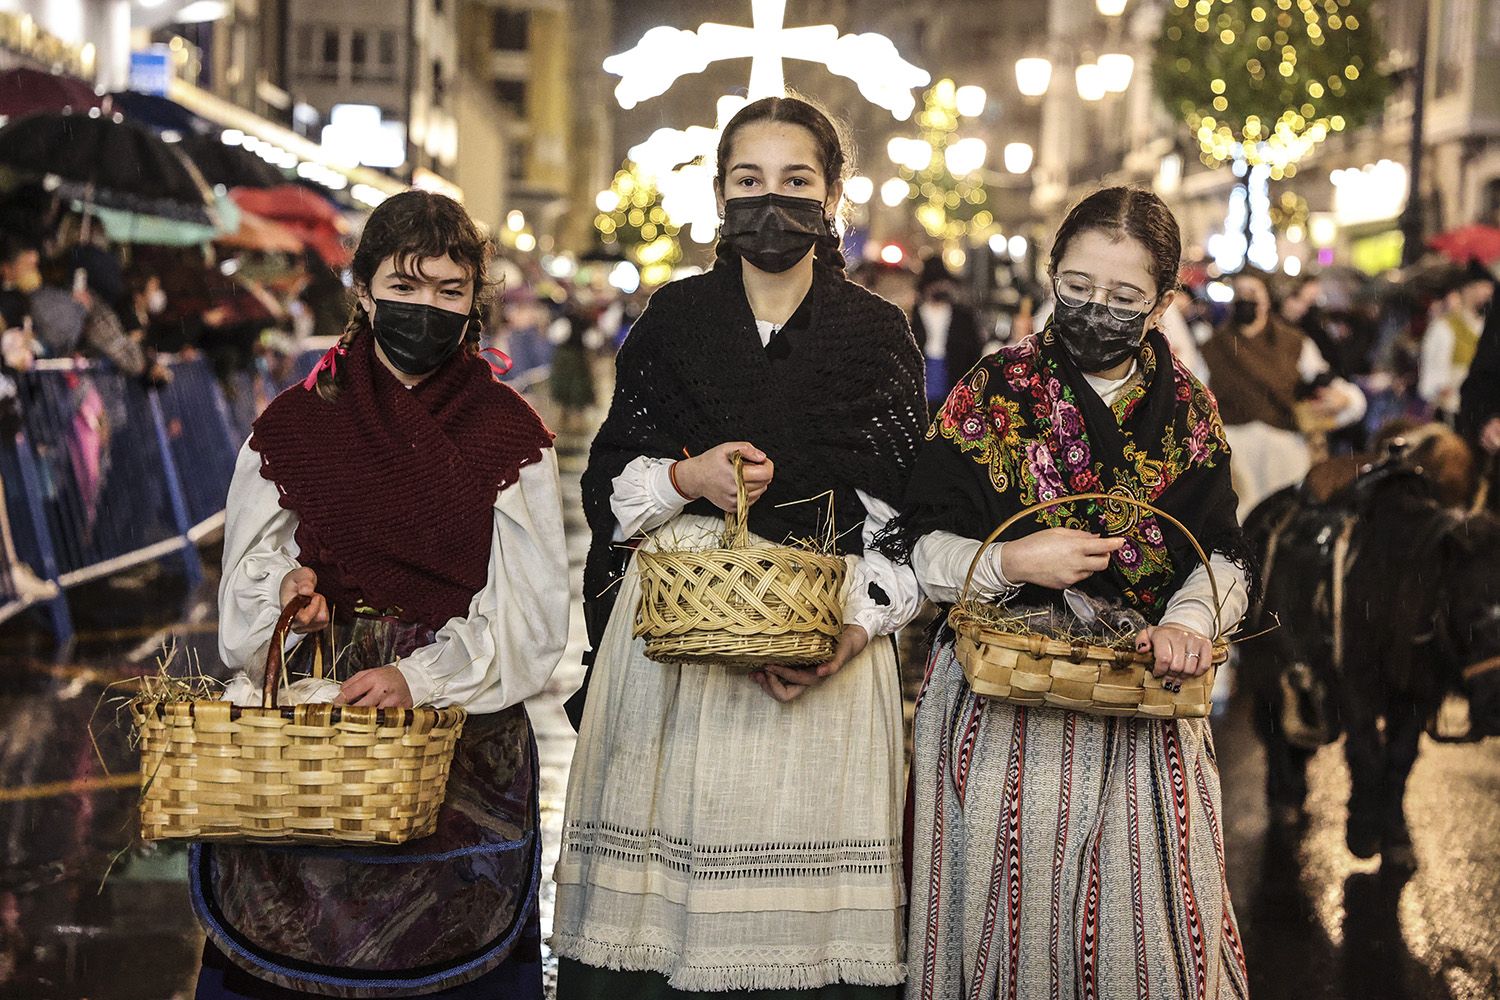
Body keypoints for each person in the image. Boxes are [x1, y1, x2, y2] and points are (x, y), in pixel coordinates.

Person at [551, 95, 927, 998]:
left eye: (797, 182)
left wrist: (854, 630)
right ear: (718, 196)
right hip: (676, 666)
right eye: (748, 181)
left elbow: (910, 521)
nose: (773, 202)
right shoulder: (672, 321)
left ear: (833, 195)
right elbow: (610, 488)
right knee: (662, 938)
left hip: (824, 657)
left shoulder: (877, 337)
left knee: (800, 950)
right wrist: (691, 479)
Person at [198, 190, 569, 999]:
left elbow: (531, 622)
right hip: (316, 724)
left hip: (454, 736)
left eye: (449, 290)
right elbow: (244, 611)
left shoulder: (508, 433)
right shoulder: (293, 426)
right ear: (363, 290)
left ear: (475, 302)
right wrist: (289, 605)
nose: (426, 307)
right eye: (405, 286)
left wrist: (422, 680)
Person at [886, 186, 1253, 1000]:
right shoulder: (991, 391)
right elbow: (917, 545)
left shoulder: (1189, 411)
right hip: (1001, 704)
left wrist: (1190, 619)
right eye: (1079, 287)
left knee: (1146, 945)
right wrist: (1018, 561)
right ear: (1051, 274)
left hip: (1143, 710)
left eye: (1125, 297)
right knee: (1003, 940)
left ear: (1161, 302)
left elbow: (1225, 551)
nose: (1096, 311)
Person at [1200, 269, 1365, 518]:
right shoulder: (1211, 347)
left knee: (1282, 521)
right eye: (1240, 292)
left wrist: (1346, 400)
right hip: (1235, 455)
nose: (1245, 298)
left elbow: (1331, 384)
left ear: (1266, 299)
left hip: (1284, 450)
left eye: (1252, 292)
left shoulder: (1294, 343)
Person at [1419, 264, 1494, 421]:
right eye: (1483, 287)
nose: (1489, 293)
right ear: (1467, 289)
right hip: (1453, 411)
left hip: (1483, 412)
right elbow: (1433, 377)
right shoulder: (1444, 327)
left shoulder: (1488, 327)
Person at [911, 256, 985, 409]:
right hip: (925, 371)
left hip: (953, 372)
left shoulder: (962, 316)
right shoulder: (913, 314)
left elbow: (973, 350)